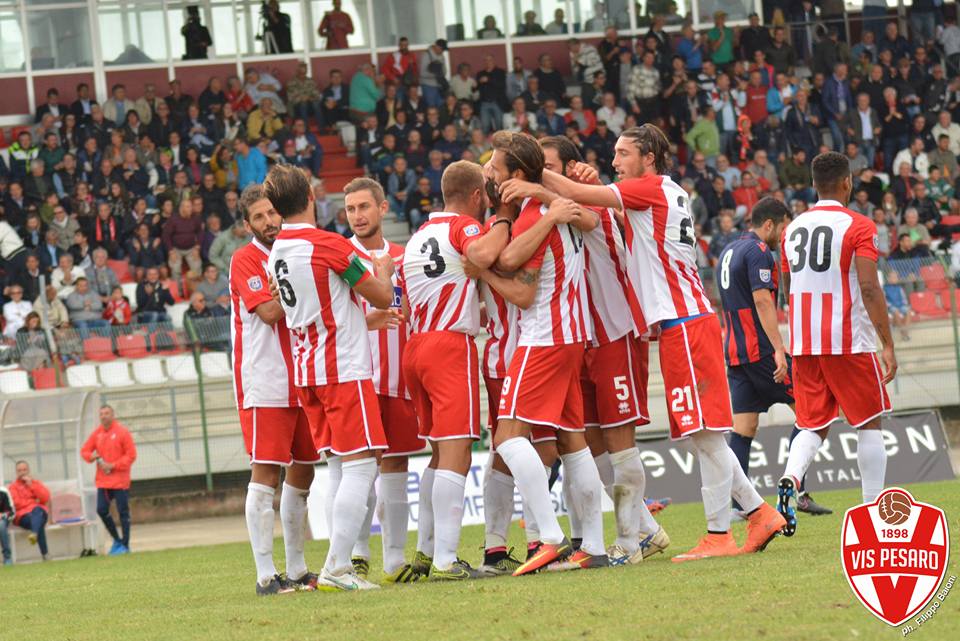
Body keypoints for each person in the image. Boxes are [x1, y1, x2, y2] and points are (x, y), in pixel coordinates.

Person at [534, 124, 785, 561]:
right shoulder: (665, 192)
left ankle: (720, 534)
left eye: (623, 153)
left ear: (648, 157)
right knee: (702, 435)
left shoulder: (649, 189)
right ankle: (759, 513)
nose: (615, 161)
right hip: (682, 323)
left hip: (684, 323)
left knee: (704, 436)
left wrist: (527, 171)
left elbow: (580, 196)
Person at [265, 164, 394, 591]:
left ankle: (339, 564)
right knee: (362, 466)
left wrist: (362, 318)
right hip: (342, 369)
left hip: (308, 370)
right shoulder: (328, 246)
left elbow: (322, 305)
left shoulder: (277, 251)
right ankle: (338, 567)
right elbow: (380, 294)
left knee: (340, 466)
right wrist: (384, 269)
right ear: (310, 197)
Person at [401, 159, 516, 580]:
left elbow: (407, 303)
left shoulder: (417, 236)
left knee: (437, 455)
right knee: (457, 452)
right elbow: (481, 254)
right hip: (449, 346)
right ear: (476, 196)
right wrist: (504, 218)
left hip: (416, 345)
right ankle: (447, 560)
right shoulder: (462, 227)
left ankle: (426, 550)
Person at [779, 152, 896, 514]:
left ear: (813, 184)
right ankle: (872, 509)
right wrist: (887, 344)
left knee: (811, 423)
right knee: (869, 422)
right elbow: (869, 287)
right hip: (847, 338)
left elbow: (787, 285)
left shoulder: (791, 229)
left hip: (804, 341)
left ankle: (791, 477)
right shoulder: (858, 226)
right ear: (847, 182)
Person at [228, 184, 322, 595]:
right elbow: (268, 312)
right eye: (259, 217)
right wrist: (304, 289)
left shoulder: (292, 252)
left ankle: (297, 569)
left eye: (272, 213)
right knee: (266, 473)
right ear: (247, 224)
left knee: (304, 471)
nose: (269, 222)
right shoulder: (245, 259)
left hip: (302, 377)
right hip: (264, 379)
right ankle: (265, 576)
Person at [718, 198, 833, 531]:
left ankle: (739, 506)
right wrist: (779, 350)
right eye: (783, 227)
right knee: (811, 411)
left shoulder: (729, 250)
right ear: (769, 224)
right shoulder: (758, 252)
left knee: (743, 429)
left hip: (735, 352)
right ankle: (798, 491)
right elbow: (762, 300)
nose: (784, 235)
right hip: (761, 352)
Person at [338, 178, 426, 583]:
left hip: (397, 380)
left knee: (396, 468)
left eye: (363, 207)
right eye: (350, 209)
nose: (357, 216)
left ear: (383, 208)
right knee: (359, 469)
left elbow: (412, 312)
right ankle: (356, 553)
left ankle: (393, 560)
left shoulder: (405, 258)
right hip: (358, 379)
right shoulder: (341, 257)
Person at [80, 405, 137, 555]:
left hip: (120, 481)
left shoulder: (122, 432)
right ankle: (117, 540)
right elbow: (84, 451)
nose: (103, 416)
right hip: (103, 482)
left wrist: (113, 465)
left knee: (123, 512)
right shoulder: (97, 433)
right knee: (101, 509)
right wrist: (91, 456)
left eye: (106, 413)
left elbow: (131, 455)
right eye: (101, 414)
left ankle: (125, 545)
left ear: (113, 415)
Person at [7, 461, 51, 561]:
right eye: (19, 470)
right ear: (16, 472)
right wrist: (33, 502)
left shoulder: (36, 483)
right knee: (38, 520)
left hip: (39, 512)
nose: (22, 472)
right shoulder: (13, 487)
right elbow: (16, 504)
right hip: (23, 516)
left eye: (24, 470)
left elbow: (45, 498)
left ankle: (34, 534)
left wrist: (31, 485)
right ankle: (45, 554)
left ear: (28, 470)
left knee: (37, 511)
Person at [0, 484, 12, 565]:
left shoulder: (3, 492)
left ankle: (7, 557)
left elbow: (10, 511)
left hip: (3, 519)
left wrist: (2, 515)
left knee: (1, 525)